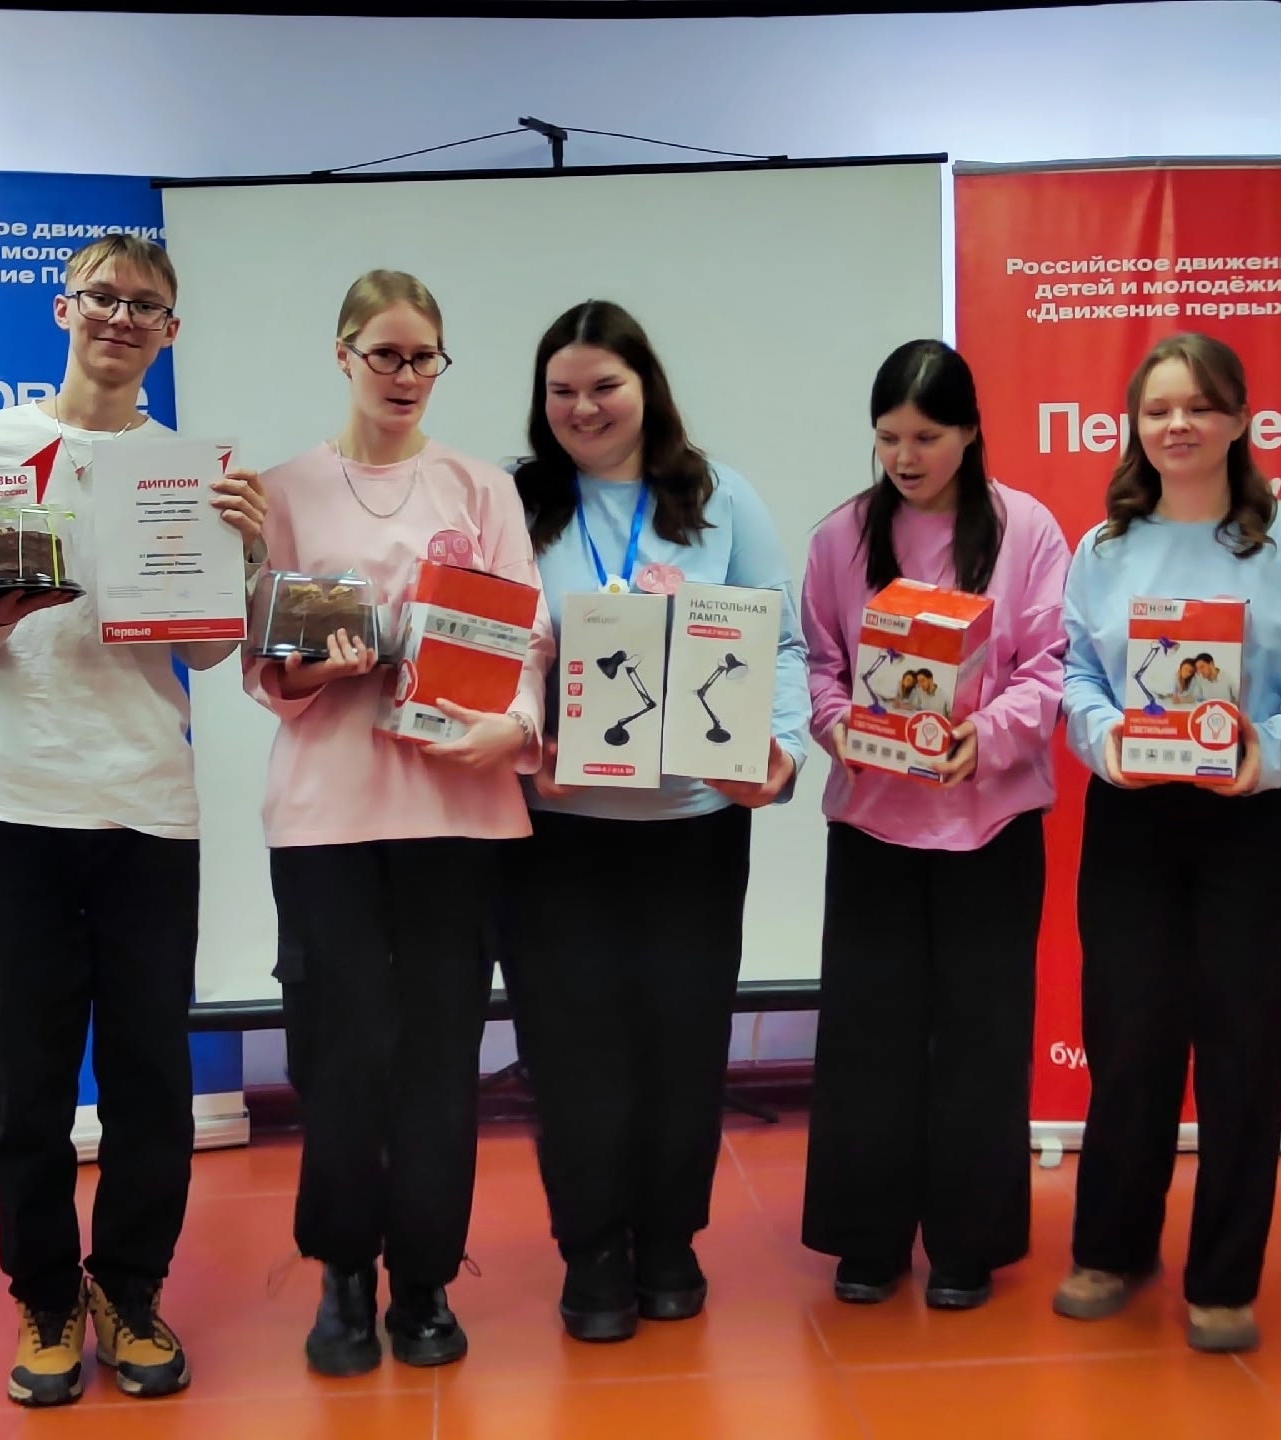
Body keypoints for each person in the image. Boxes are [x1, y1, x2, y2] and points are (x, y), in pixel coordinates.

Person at [0, 232, 268, 1408]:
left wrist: (244, 556)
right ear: (64, 309)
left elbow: (206, 655)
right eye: (103, 297)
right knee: (25, 1087)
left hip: (146, 810)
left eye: (145, 305)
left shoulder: (192, 471)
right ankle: (45, 1301)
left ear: (171, 331)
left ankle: (129, 1291)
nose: (121, 317)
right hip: (9, 799)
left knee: (150, 1083)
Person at [246, 269, 548, 1378]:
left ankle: (423, 1277)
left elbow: (526, 637)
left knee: (436, 1056)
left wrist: (513, 726)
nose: (406, 375)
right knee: (339, 1056)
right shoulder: (280, 490)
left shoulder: (480, 487)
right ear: (343, 355)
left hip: (455, 812)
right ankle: (341, 1274)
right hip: (326, 816)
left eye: (424, 357)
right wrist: (314, 668)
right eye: (385, 354)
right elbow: (263, 664)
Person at [500, 300, 810, 1342]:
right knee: (570, 1046)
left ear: (646, 387)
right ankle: (592, 1249)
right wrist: (522, 735)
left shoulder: (720, 498)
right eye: (562, 391)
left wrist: (781, 751)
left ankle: (670, 1239)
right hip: (556, 829)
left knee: (682, 1037)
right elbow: (482, 639)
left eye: (605, 386)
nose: (583, 408)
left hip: (694, 823)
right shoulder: (513, 501)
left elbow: (785, 644)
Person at [1052, 331, 1281, 1355]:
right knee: (1128, 1041)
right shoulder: (1103, 549)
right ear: (1134, 427)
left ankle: (1224, 1278)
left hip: (1254, 821)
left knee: (1241, 1051)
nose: (1176, 426)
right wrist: (1105, 739)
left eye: (1197, 407)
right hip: (1133, 820)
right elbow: (1073, 673)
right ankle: (1111, 1249)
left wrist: (1268, 749)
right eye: (1157, 410)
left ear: (1239, 420)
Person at [798, 339, 1070, 1311]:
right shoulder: (841, 536)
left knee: (980, 1037)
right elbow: (818, 665)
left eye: (925, 437)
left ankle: (967, 1239)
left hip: (989, 828)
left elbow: (1051, 667)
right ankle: (867, 1238)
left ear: (970, 433)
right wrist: (839, 727)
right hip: (873, 828)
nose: (905, 458)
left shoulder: (1026, 529)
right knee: (867, 1035)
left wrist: (983, 739)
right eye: (888, 438)